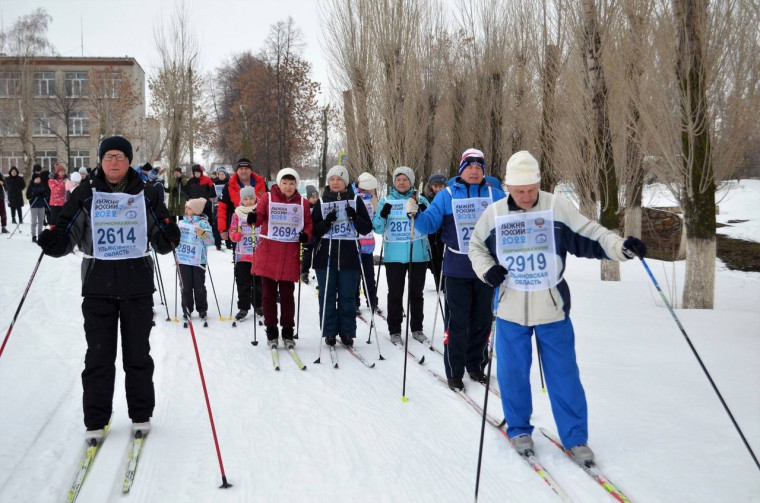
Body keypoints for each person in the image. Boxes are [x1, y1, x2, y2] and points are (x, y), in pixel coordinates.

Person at [467, 150, 648, 462]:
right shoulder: (494, 213)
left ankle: (576, 438)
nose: (526, 196)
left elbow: (590, 234)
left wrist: (621, 247)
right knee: (512, 374)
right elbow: (476, 247)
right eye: (519, 190)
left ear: (539, 183)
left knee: (564, 375)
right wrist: (487, 270)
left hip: (552, 308)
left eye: (531, 189)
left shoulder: (555, 207)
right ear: (508, 187)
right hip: (510, 309)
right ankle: (520, 430)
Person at [35, 135, 180, 439]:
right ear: (101, 160)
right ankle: (96, 420)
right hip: (97, 284)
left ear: (129, 161)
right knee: (98, 356)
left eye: (120, 157)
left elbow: (160, 236)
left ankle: (140, 414)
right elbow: (67, 230)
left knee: (138, 354)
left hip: (137, 283)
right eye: (108, 157)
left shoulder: (147, 193)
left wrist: (168, 235)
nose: (114, 162)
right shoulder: (86, 192)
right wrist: (54, 242)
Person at [406, 148, 506, 390]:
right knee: (457, 322)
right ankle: (455, 371)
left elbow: (510, 224)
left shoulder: (496, 194)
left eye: (479, 167)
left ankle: (476, 366)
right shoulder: (447, 195)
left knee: (482, 321)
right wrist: (416, 214)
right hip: (457, 268)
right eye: (469, 166)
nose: (474, 171)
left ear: (483, 170)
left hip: (486, 269)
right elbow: (429, 224)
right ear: (462, 169)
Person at [311, 166, 372, 346]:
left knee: (347, 295)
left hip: (349, 255)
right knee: (327, 295)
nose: (335, 182)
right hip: (325, 255)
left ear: (345, 182)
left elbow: (366, 228)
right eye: (332, 179)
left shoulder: (355, 199)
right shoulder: (321, 202)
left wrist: (355, 218)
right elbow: (314, 230)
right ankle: (329, 331)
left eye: (339, 179)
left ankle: (347, 331)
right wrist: (327, 222)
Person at [253, 168, 313, 347]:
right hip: (269, 254)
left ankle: (288, 331)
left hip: (289, 254)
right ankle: (271, 329)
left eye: (292, 183)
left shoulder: (302, 203)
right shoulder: (268, 198)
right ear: (279, 184)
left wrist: (306, 236)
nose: (288, 187)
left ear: (296, 185)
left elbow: (308, 225)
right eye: (285, 183)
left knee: (288, 296)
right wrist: (253, 217)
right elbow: (259, 216)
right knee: (268, 295)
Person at [373, 167, 431, 344]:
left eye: (405, 179)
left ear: (411, 182)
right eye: (398, 179)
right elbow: (377, 227)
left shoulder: (420, 200)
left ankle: (417, 328)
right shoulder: (386, 200)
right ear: (394, 182)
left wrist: (421, 211)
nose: (401, 182)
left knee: (416, 294)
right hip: (394, 256)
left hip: (418, 254)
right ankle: (395, 329)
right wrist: (382, 215)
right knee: (395, 293)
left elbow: (430, 224)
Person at [218, 158, 268, 314]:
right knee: (242, 276)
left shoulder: (260, 183)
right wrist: (224, 230)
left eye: (247, 168)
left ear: (250, 170)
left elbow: (268, 207)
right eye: (241, 169)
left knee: (259, 277)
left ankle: (258, 303)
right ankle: (244, 306)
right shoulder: (229, 185)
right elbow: (222, 208)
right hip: (241, 244)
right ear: (237, 171)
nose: (244, 171)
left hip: (259, 246)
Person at [178, 198, 214, 320]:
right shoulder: (182, 223)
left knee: (199, 285)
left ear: (196, 210)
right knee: (186, 285)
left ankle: (202, 308)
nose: (186, 209)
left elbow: (210, 241)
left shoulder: (203, 223)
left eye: (189, 207)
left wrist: (203, 234)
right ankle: (187, 308)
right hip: (184, 260)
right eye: (186, 207)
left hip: (199, 260)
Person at [228, 186, 258, 321]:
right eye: (246, 199)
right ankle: (244, 307)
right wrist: (235, 236)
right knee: (243, 282)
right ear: (242, 200)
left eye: (251, 198)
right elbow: (232, 231)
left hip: (258, 255)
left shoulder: (260, 211)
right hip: (242, 255)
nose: (249, 201)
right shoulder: (237, 214)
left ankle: (259, 305)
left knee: (259, 282)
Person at [354, 172, 380, 315]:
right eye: (373, 188)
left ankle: (372, 302)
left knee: (369, 275)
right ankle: (355, 302)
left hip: (368, 244)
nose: (374, 191)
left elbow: (374, 218)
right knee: (356, 275)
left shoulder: (371, 200)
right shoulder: (356, 199)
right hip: (356, 243)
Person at [423, 173, 447, 291]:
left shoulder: (447, 196)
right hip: (431, 231)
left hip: (444, 230)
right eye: (435, 186)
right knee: (433, 258)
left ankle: (445, 282)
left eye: (440, 186)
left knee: (443, 255)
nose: (437, 189)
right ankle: (438, 282)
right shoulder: (425, 197)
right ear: (431, 186)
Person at [299, 185, 319, 283]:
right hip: (307, 236)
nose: (315, 199)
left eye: (316, 197)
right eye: (312, 197)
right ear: (308, 197)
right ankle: (304, 272)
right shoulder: (304, 206)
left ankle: (318, 273)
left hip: (316, 235)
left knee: (317, 255)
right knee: (306, 256)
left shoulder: (318, 206)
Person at [212, 168, 229, 250]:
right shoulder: (215, 183)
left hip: (226, 205)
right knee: (216, 224)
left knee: (227, 224)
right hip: (217, 205)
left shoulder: (229, 183)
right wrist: (215, 198)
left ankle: (228, 243)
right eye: (220, 174)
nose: (221, 176)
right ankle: (217, 243)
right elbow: (211, 195)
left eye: (223, 174)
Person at [26, 174, 47, 242]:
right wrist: (33, 195)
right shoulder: (31, 186)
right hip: (34, 206)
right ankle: (34, 236)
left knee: (41, 221)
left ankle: (40, 235)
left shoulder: (42, 186)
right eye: (36, 178)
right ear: (33, 179)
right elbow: (28, 196)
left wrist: (44, 195)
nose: (38, 179)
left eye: (39, 178)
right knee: (34, 222)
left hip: (42, 206)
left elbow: (47, 194)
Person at [48, 162, 68, 227]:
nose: (63, 173)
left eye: (64, 172)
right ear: (57, 172)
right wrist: (62, 184)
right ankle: (53, 233)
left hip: (63, 203)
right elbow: (55, 190)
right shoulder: (52, 180)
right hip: (55, 204)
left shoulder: (64, 179)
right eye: (61, 172)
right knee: (54, 221)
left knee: (61, 221)